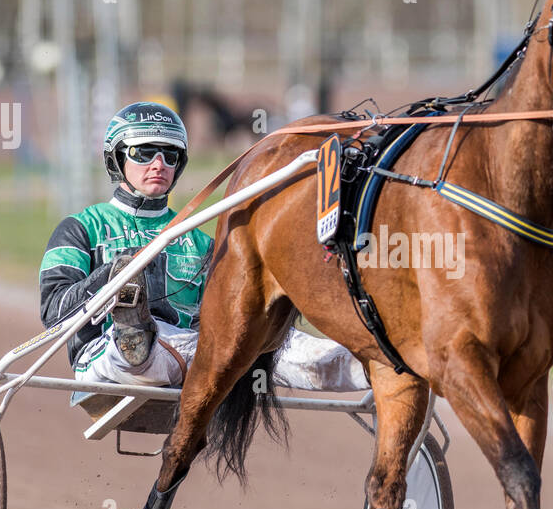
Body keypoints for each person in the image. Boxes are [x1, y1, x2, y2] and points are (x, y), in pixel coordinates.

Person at [38, 100, 369, 392]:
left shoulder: (199, 239)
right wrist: (115, 273)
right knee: (141, 337)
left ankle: (383, 362)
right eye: (143, 153)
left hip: (200, 351)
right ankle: (135, 334)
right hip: (104, 356)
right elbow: (53, 311)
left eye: (169, 155)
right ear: (117, 158)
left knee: (284, 347)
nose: (158, 164)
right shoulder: (80, 228)